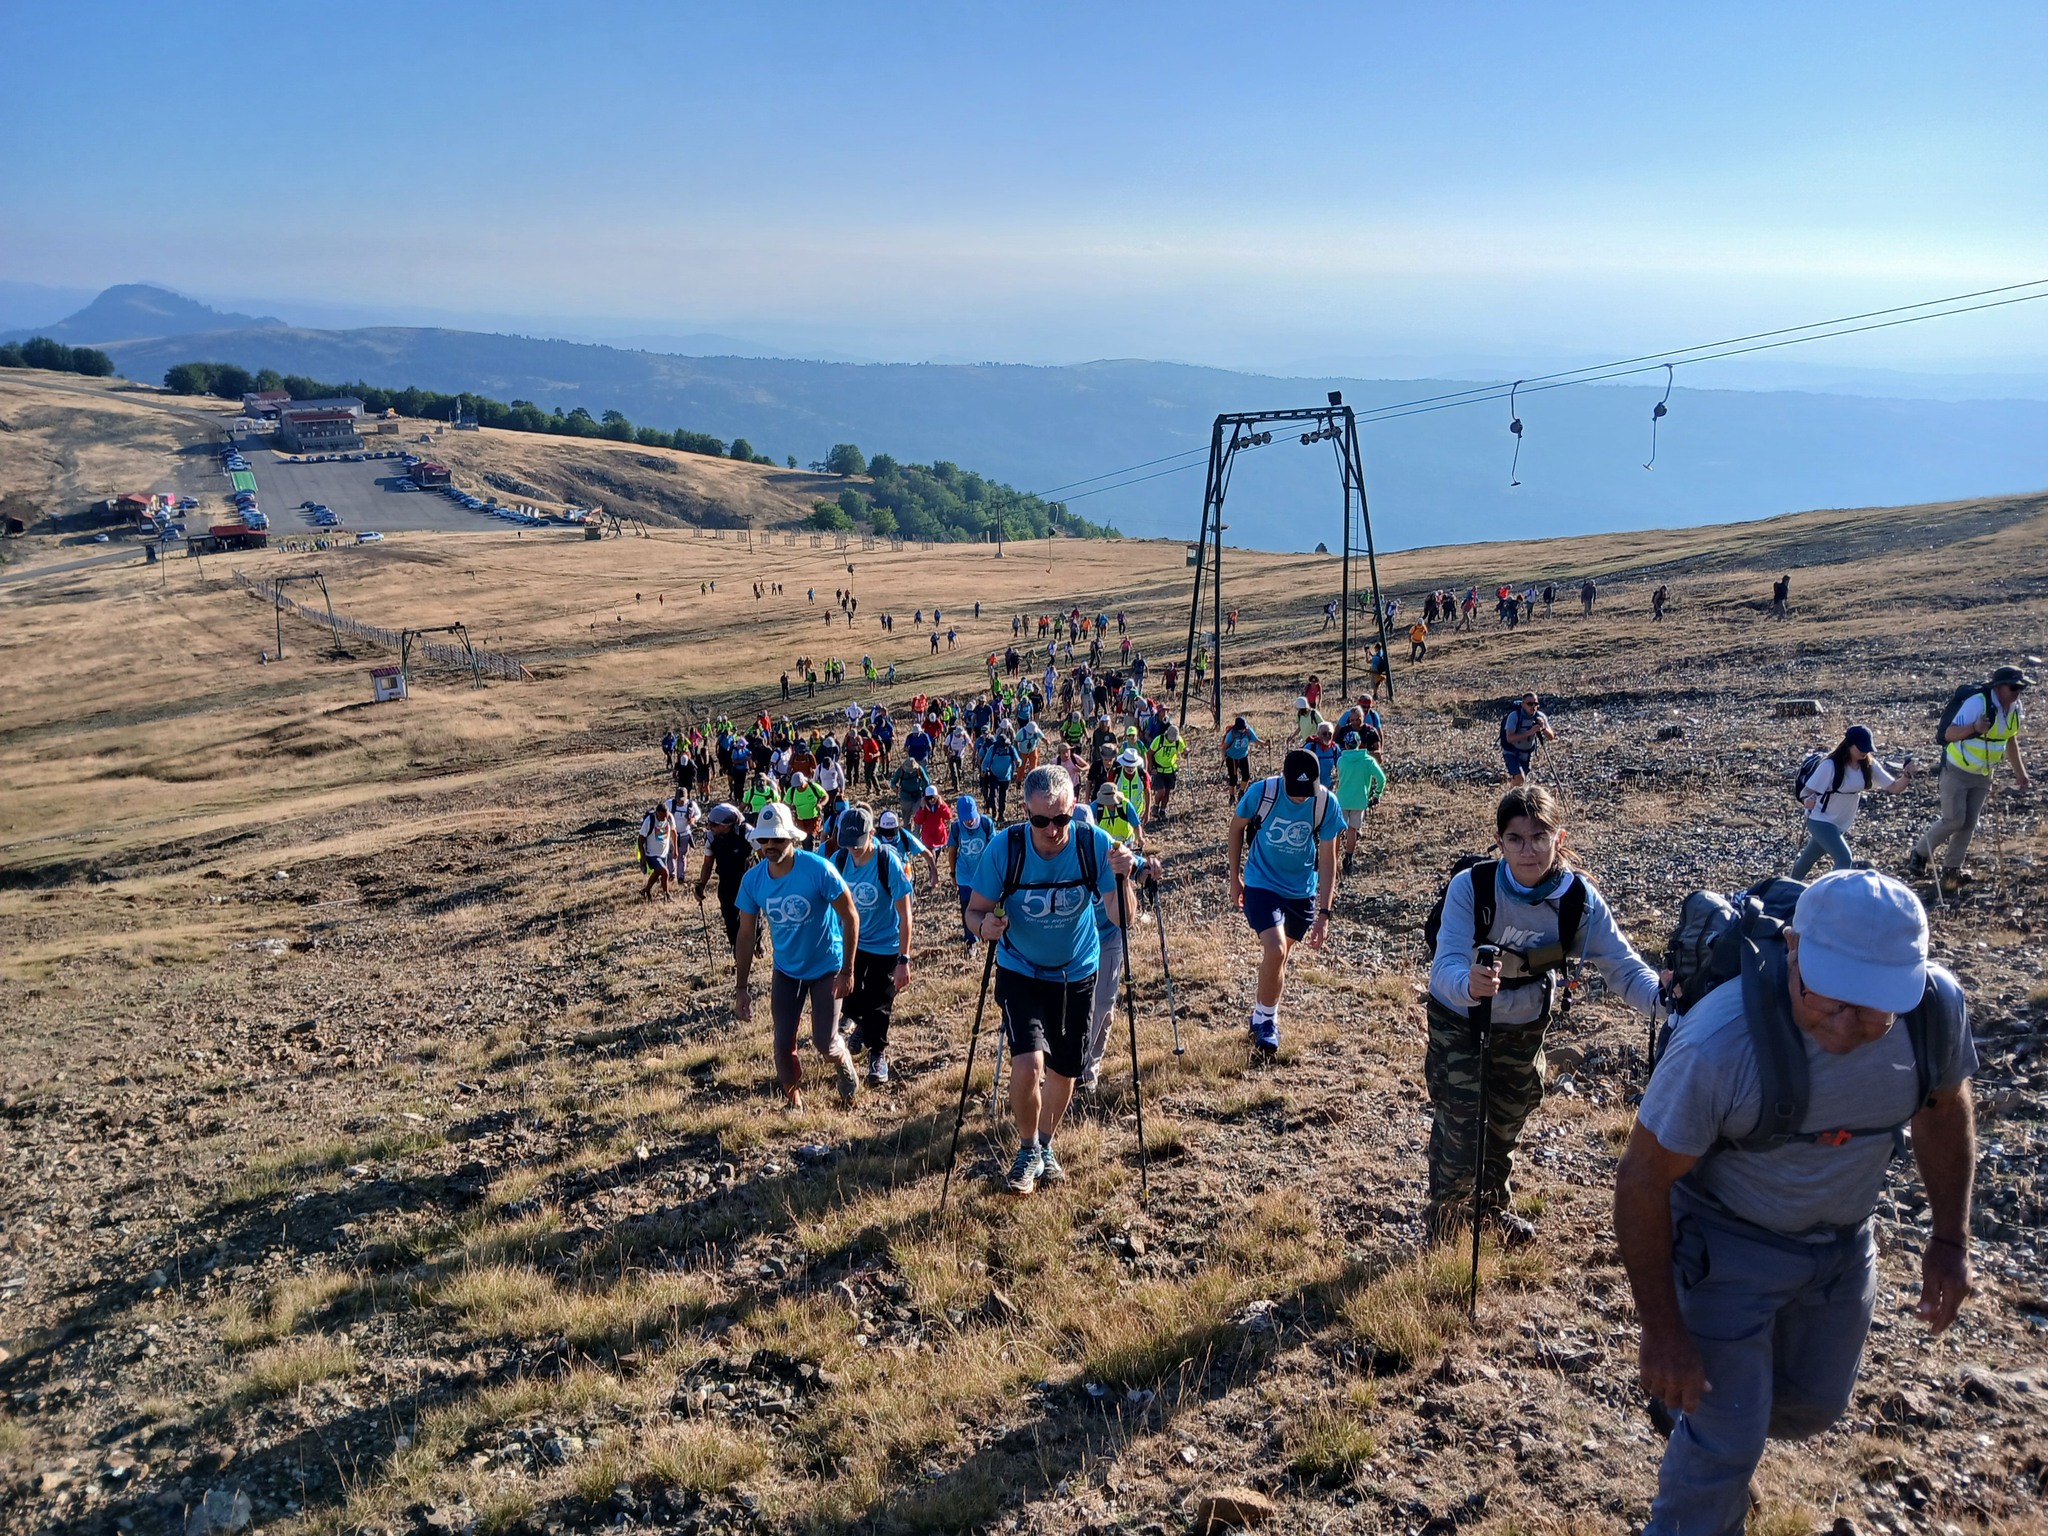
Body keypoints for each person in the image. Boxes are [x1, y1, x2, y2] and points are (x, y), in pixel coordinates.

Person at [1615, 871, 1977, 1536]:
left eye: (1875, 1008)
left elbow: (1941, 1111)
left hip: (1842, 1249)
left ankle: (1699, 1418)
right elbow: (1642, 1180)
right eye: (1829, 999)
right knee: (1728, 1442)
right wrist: (1664, 1334)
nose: (1847, 1027)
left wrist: (1949, 1239)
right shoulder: (1719, 1044)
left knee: (1812, 1407)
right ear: (1792, 949)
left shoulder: (1933, 1015)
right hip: (1724, 1248)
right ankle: (1710, 1456)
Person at [1427, 786, 1662, 1242]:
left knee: (1506, 1124)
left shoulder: (1580, 902)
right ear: (1499, 843)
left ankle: (1491, 1214)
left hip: (1524, 1027)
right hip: (1461, 1020)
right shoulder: (1471, 886)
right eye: (1514, 839)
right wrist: (1469, 986)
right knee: (1461, 1125)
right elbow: (1444, 968)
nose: (1527, 850)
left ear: (1560, 837)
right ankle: (1447, 1230)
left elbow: (1626, 970)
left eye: (1539, 836)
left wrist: (1672, 1001)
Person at [965, 766, 1135, 1194]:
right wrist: (984, 926)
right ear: (1026, 812)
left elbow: (1122, 918)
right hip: (1021, 969)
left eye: (1060, 819)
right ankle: (1026, 1151)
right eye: (1040, 820)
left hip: (1077, 971)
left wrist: (1123, 878)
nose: (1052, 829)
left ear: (1073, 808)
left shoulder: (1092, 845)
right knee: (1028, 1064)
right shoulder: (1007, 849)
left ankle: (1045, 1145)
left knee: (1065, 1069)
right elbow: (974, 910)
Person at [733, 804, 862, 1110]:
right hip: (786, 970)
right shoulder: (752, 881)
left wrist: (848, 970)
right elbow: (746, 935)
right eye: (764, 840)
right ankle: (795, 1102)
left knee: (824, 1042)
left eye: (777, 839)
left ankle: (842, 1061)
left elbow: (850, 916)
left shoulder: (818, 869)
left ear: (792, 838)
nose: (769, 846)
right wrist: (741, 988)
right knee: (782, 1043)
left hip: (826, 967)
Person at [1227, 748, 1341, 1055]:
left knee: (1279, 956)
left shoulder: (1325, 803)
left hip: (1301, 890)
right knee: (1276, 949)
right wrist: (1234, 876)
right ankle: (1268, 1022)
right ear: (1284, 778)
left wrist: (1324, 912)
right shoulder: (1262, 792)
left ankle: (1259, 1014)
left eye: (1308, 791)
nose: (1302, 798)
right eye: (1297, 791)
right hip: (1261, 882)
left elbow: (1329, 859)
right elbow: (1236, 828)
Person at [1909, 665, 2031, 896]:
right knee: (1953, 820)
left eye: (2021, 688)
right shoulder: (1977, 702)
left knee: (1968, 824)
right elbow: (1948, 734)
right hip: (1956, 770)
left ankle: (1951, 872)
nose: (2018, 692)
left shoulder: (2015, 708)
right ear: (1999, 687)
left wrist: (2020, 773)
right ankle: (1920, 852)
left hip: (1983, 774)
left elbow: (2010, 740)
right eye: (2014, 687)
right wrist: (1975, 728)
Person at [1074, 794, 1160, 1093]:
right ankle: (1065, 1064)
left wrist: (1147, 872)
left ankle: (1088, 1069)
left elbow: (1137, 868)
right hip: (1071, 943)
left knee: (1102, 1005)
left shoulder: (1108, 848)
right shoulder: (1058, 854)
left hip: (1107, 936)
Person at [830, 806, 913, 1086]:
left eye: (857, 842)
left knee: (880, 1000)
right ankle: (862, 1024)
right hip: (851, 941)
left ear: (872, 834)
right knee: (849, 995)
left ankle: (877, 1054)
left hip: (885, 944)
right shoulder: (839, 859)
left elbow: (905, 913)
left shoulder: (887, 861)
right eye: (847, 843)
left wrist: (904, 958)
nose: (852, 849)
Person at [1790, 726, 1913, 878]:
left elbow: (1895, 787)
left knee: (1806, 860)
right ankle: (1834, 896)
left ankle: (1785, 890)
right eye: (1861, 748)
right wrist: (1806, 800)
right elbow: (1806, 792)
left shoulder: (1869, 765)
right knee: (1844, 859)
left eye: (1867, 748)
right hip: (1819, 820)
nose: (1865, 752)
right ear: (1849, 744)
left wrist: (1907, 775)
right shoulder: (1830, 765)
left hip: (1840, 823)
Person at [694, 803, 755, 954]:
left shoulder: (746, 832)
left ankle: (757, 943)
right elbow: (707, 864)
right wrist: (701, 885)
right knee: (730, 919)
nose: (710, 827)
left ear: (726, 825)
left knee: (753, 918)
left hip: (748, 882)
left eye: (713, 825)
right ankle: (737, 951)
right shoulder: (711, 838)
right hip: (727, 884)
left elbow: (764, 853)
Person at [1334, 726, 1386, 876]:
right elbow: (1382, 779)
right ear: (1359, 744)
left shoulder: (1341, 760)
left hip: (1342, 800)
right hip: (1359, 800)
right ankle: (1348, 860)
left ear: (1345, 745)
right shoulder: (1368, 760)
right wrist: (1376, 794)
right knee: (1352, 831)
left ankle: (1334, 860)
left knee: (1337, 831)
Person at [1500, 692, 1555, 785]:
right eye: (1530, 704)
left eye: (1536, 704)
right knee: (1520, 778)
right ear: (1522, 704)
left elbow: (1551, 737)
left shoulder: (1540, 716)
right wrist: (1530, 732)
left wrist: (1543, 728)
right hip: (1511, 751)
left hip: (1526, 753)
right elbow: (1510, 738)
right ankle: (1512, 797)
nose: (1533, 706)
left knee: (1521, 781)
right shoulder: (1514, 716)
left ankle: (1510, 796)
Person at [639, 802, 678, 901]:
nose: (664, 819)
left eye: (666, 816)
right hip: (651, 854)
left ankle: (646, 890)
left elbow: (674, 833)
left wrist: (675, 849)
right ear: (657, 813)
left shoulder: (669, 818)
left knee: (657, 873)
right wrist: (643, 857)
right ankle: (667, 895)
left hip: (664, 853)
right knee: (664, 872)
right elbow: (640, 839)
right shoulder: (649, 820)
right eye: (662, 817)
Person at [1146, 722, 1183, 819]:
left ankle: (1162, 811)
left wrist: (1186, 753)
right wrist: (1151, 768)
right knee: (1161, 791)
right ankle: (1156, 806)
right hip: (1158, 769)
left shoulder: (1178, 741)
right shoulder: (1159, 740)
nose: (1172, 741)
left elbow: (1182, 753)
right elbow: (1149, 754)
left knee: (1167, 792)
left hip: (1170, 770)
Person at [912, 784, 954, 861]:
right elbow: (918, 820)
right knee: (932, 858)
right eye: (930, 798)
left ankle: (932, 870)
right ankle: (932, 871)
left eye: (934, 798)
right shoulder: (924, 808)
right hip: (928, 838)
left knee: (936, 858)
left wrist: (942, 805)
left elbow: (948, 816)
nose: (932, 800)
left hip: (939, 836)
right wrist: (922, 808)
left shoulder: (940, 806)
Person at [1222, 715, 1258, 789]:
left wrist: (1265, 744)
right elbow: (1224, 747)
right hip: (1232, 758)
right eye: (1240, 729)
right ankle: (1231, 797)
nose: (1242, 730)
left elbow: (1255, 740)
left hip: (1243, 756)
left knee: (1246, 776)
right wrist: (1223, 755)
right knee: (1233, 779)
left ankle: (1241, 793)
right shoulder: (1232, 734)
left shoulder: (1248, 731)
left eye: (1243, 728)